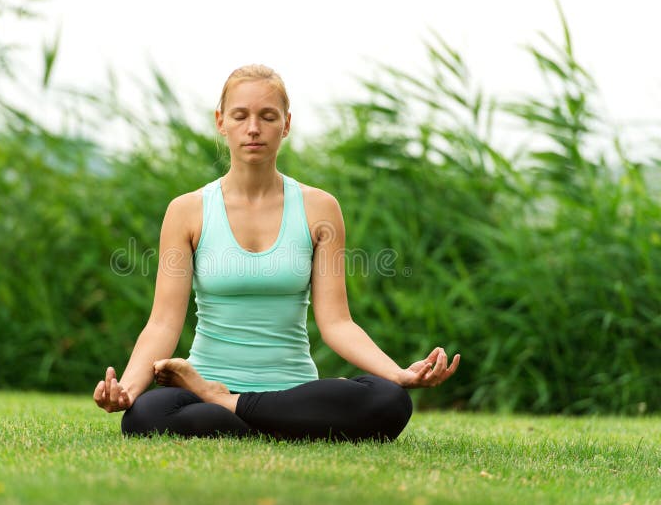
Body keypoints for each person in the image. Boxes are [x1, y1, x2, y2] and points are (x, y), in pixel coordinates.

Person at [93, 64, 460, 441]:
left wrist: (397, 373)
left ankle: (226, 405)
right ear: (221, 122)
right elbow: (163, 323)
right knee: (144, 416)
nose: (253, 128)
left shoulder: (320, 209)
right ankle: (269, 418)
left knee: (390, 399)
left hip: (290, 388)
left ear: (286, 124)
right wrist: (130, 389)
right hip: (208, 381)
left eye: (268, 117)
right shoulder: (188, 211)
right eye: (241, 116)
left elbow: (336, 322)